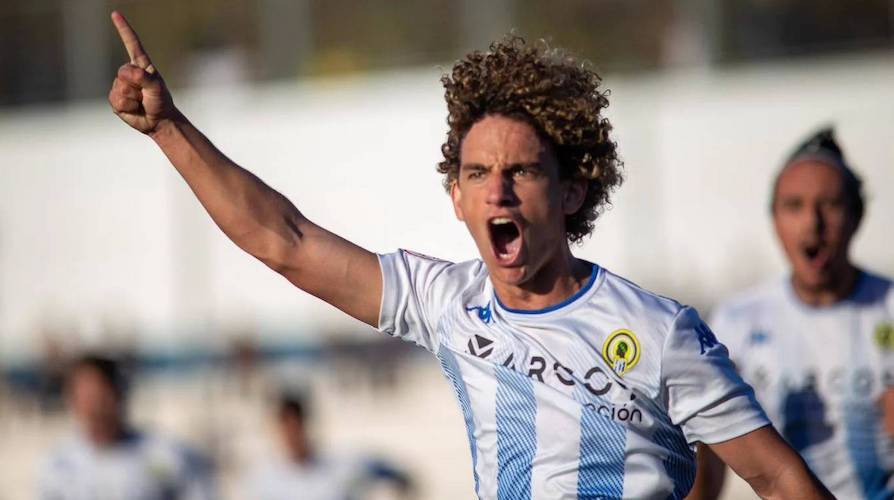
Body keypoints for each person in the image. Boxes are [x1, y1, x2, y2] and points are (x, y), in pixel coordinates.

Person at [106, 11, 833, 498]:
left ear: (572, 192)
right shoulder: (446, 302)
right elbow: (283, 241)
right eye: (478, 174)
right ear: (456, 198)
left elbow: (781, 482)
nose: (499, 193)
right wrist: (168, 129)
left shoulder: (660, 331)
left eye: (522, 171)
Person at [689, 128, 894, 499]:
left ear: (857, 216)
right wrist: (702, 416)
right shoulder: (737, 321)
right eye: (794, 205)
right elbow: (705, 487)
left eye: (829, 204)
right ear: (774, 220)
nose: (812, 222)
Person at [38, 354, 217, 500]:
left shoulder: (166, 454)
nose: (93, 406)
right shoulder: (57, 467)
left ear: (118, 394)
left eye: (99, 394)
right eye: (83, 396)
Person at [243, 392, 413, 500]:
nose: (289, 436)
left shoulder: (342, 467)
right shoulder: (264, 481)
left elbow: (395, 475)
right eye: (283, 428)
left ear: (305, 425)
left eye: (294, 427)